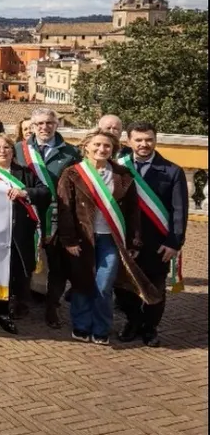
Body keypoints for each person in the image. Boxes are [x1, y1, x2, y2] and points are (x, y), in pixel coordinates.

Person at [57, 130, 158, 345]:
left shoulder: (122, 175)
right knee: (82, 283)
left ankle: (101, 327)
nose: (102, 149)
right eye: (97, 145)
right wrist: (69, 240)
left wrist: (133, 241)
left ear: (113, 149)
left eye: (107, 146)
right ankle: (81, 325)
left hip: (111, 240)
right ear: (86, 146)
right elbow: (65, 210)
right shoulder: (72, 174)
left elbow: (133, 212)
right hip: (83, 238)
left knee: (103, 285)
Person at [115, 122, 189, 347]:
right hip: (125, 240)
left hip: (157, 242)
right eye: (138, 140)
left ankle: (150, 328)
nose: (144, 144)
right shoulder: (118, 167)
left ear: (155, 140)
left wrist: (174, 242)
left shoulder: (172, 171)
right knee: (123, 287)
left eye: (148, 139)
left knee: (155, 288)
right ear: (129, 141)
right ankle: (132, 322)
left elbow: (179, 211)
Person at [0, 134, 50, 334]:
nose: (2, 151)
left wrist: (25, 193)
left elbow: (45, 193)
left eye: (6, 147)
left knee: (10, 275)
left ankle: (2, 312)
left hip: (18, 234)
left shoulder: (24, 173)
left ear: (12, 151)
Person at [17, 107, 82, 329]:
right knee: (25, 260)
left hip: (58, 215)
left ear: (57, 125)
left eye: (49, 123)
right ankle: (22, 302)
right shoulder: (18, 150)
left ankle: (52, 306)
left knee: (58, 265)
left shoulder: (71, 153)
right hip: (27, 213)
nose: (44, 127)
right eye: (39, 124)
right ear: (32, 126)